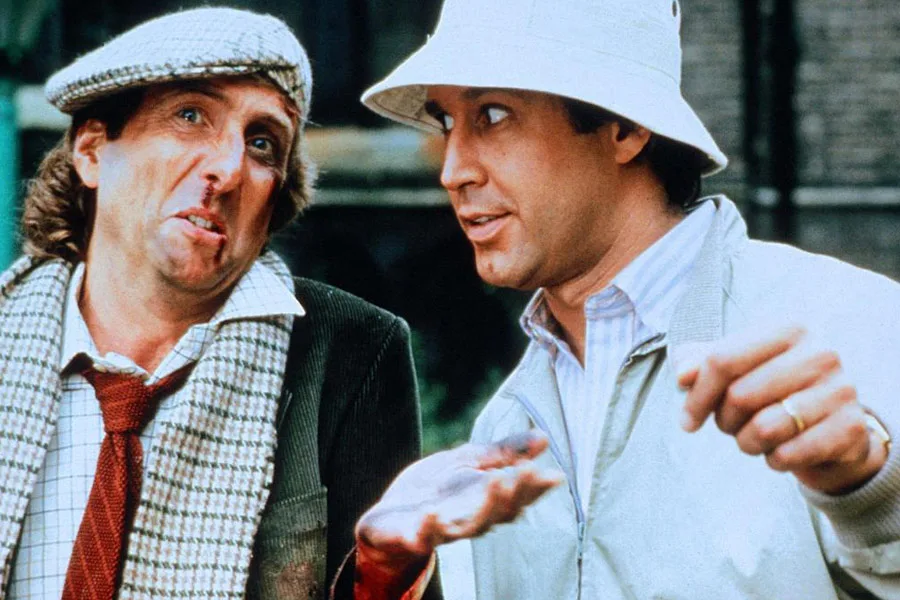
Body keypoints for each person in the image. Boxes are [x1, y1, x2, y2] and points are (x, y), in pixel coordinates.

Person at [353, 0, 900, 598]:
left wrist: (870, 488)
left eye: (493, 115)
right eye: (446, 123)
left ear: (625, 128)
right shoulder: (506, 425)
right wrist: (384, 575)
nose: (453, 170)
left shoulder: (852, 325)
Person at [0, 7, 440, 600]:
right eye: (190, 116)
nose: (229, 170)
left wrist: (384, 571)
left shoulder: (348, 352)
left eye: (262, 144)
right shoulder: (11, 335)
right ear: (92, 150)